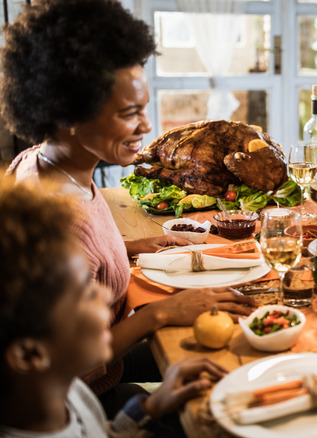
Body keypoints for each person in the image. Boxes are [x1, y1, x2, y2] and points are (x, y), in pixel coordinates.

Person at [0, 0, 256, 409]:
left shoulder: (46, 161)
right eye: (129, 112)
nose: (147, 125)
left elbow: (84, 256)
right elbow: (69, 366)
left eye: (144, 108)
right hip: (87, 398)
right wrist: (160, 314)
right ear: (69, 114)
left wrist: (128, 247)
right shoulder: (60, 223)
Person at [0, 177, 229, 437]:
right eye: (86, 293)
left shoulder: (66, 391)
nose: (106, 293)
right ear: (29, 355)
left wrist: (149, 409)